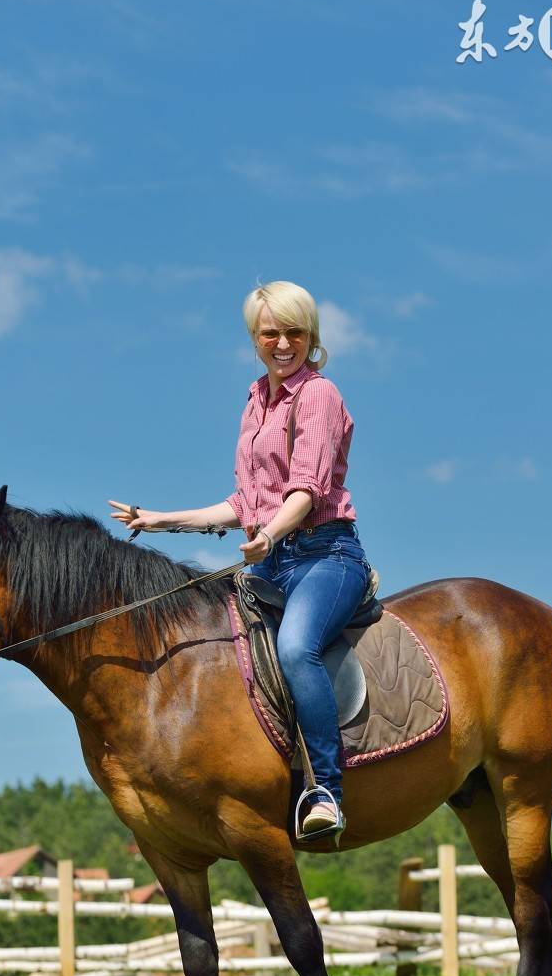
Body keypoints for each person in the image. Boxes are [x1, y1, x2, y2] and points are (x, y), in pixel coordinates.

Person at [109, 280, 370, 840]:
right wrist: (160, 520)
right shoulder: (256, 400)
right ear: (255, 340)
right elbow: (242, 503)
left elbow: (305, 491)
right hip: (271, 559)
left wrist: (270, 534)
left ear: (311, 337)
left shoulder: (318, 395)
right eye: (270, 333)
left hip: (326, 555)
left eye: (293, 332)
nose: (282, 343)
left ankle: (326, 789)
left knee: (298, 649)